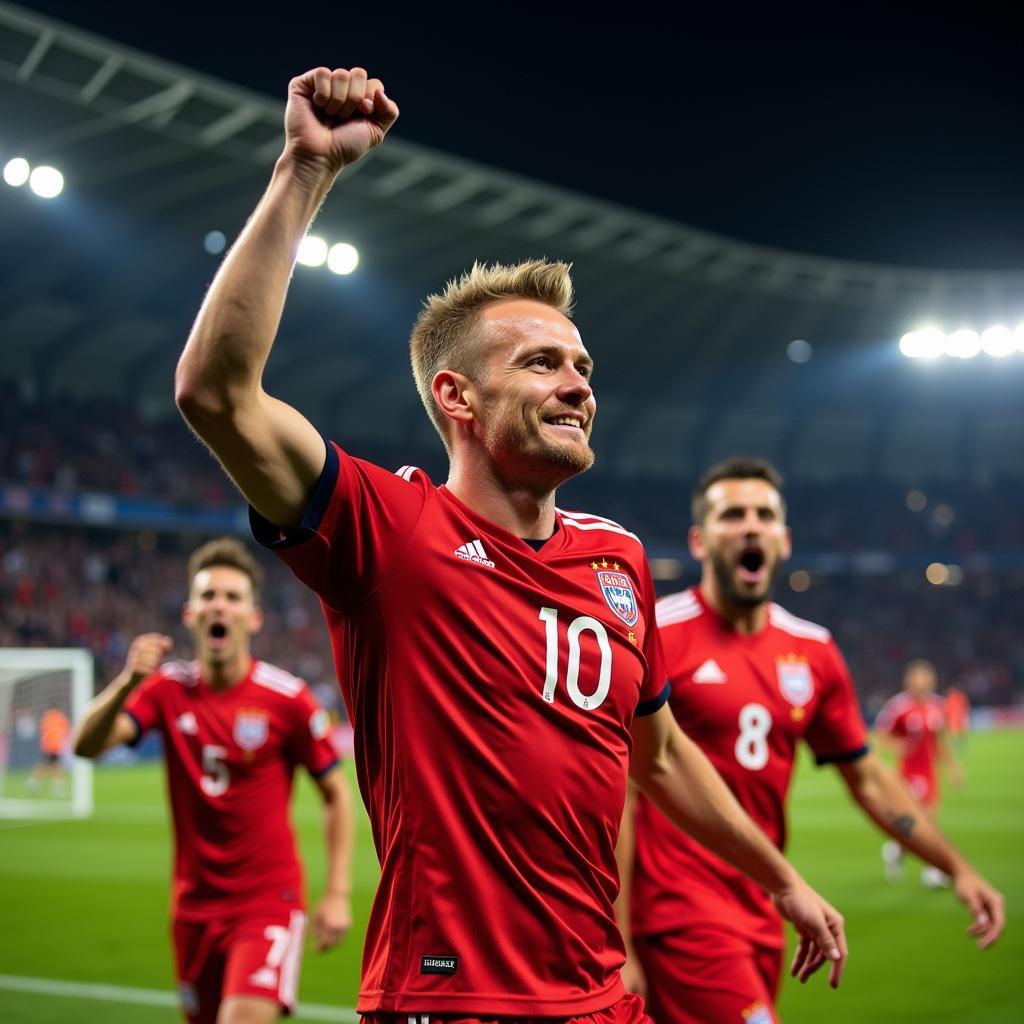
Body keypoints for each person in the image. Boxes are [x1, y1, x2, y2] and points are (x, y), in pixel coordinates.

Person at [172, 66, 850, 1024]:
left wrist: (778, 878)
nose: (579, 385)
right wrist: (305, 171)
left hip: (599, 996)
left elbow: (657, 757)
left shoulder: (617, 562)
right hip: (448, 1001)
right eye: (542, 363)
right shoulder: (389, 531)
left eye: (582, 366)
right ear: (457, 398)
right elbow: (217, 395)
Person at [617, 457, 1004, 1024]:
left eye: (764, 515)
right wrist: (618, 938)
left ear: (785, 539)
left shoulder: (813, 651)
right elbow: (622, 792)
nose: (750, 526)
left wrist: (956, 867)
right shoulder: (658, 636)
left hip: (767, 903)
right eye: (732, 515)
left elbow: (869, 779)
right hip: (678, 910)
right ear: (699, 541)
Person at [73, 538, 353, 1024]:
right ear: (189, 613)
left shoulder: (287, 699)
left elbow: (336, 793)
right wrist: (125, 682)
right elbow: (85, 745)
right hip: (192, 910)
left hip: (268, 903)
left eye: (231, 596)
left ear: (253, 617)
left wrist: (337, 892)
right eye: (207, 596)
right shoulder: (165, 690)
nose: (218, 605)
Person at [875, 659, 964, 887]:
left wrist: (953, 767)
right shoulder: (899, 707)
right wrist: (897, 747)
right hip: (908, 773)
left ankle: (897, 850)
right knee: (926, 820)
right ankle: (932, 870)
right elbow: (880, 737)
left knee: (922, 823)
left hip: (930, 772)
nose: (922, 681)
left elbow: (940, 742)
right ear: (909, 680)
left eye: (926, 676)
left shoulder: (938, 706)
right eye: (917, 677)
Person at [28, 704, 71, 794]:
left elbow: (42, 730)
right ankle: (56, 787)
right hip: (55, 746)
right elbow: (66, 732)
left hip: (47, 745)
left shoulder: (46, 717)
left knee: (46, 765)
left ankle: (34, 783)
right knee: (54, 766)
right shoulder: (61, 717)